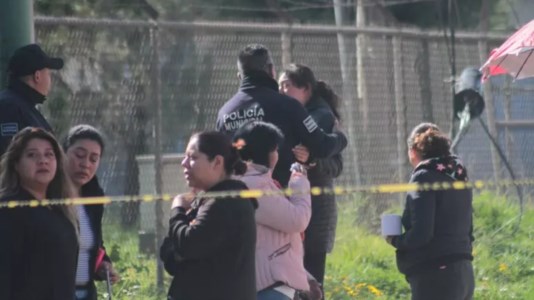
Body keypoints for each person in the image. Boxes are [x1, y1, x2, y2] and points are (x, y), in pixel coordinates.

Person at [216, 43, 347, 187]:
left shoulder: (224, 113)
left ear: (240, 76)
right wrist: (340, 136)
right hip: (280, 200)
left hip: (240, 201)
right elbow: (322, 146)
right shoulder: (289, 106)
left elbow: (221, 160)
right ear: (272, 71)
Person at [159, 131, 257, 300]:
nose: (184, 163)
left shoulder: (226, 202)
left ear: (217, 162)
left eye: (193, 157)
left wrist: (177, 210)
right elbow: (171, 258)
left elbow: (188, 244)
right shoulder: (206, 201)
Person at [233, 121, 321, 300]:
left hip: (267, 285)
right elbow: (298, 219)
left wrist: (306, 277)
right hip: (268, 288)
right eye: (274, 149)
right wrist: (299, 179)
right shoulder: (254, 186)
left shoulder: (251, 181)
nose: (277, 155)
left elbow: (272, 243)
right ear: (266, 152)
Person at [386, 123, 474, 300]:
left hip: (435, 275)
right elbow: (469, 230)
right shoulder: (459, 175)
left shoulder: (423, 176)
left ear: (413, 151)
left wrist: (394, 238)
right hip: (464, 272)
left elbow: (422, 233)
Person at [279, 64, 343, 294]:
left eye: (287, 85)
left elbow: (337, 165)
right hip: (293, 211)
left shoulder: (321, 117)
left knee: (313, 282)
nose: (282, 91)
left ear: (306, 89)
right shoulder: (290, 115)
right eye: (280, 86)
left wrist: (314, 159)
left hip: (316, 214)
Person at [0, 127, 79, 300]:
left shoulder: (61, 209)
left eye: (49, 154)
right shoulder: (9, 209)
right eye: (32, 155)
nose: (42, 161)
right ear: (16, 164)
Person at [63, 124, 120, 300]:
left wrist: (103, 264)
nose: (85, 164)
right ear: (62, 153)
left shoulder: (94, 195)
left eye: (93, 159)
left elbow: (94, 243)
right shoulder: (47, 195)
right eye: (79, 155)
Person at [0, 44, 64, 155]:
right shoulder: (11, 107)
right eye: (48, 74)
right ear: (37, 76)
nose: (50, 81)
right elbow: (8, 154)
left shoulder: (19, 105)